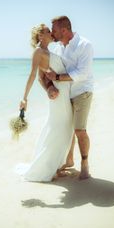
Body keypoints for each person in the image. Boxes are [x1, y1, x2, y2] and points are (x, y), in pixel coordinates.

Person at [15, 23, 73, 182]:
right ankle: (48, 167)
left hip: (63, 93)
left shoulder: (49, 51)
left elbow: (45, 76)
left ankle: (55, 165)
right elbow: (34, 75)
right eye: (49, 31)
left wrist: (50, 87)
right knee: (59, 129)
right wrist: (24, 98)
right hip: (58, 96)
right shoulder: (38, 52)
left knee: (63, 128)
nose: (52, 33)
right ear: (41, 36)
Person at [43, 15, 94, 179]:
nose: (52, 33)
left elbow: (82, 73)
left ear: (64, 30)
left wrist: (57, 78)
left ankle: (85, 163)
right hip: (64, 96)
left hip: (82, 92)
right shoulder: (57, 48)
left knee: (79, 130)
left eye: (55, 30)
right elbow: (46, 73)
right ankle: (69, 159)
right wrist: (50, 87)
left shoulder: (84, 45)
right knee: (66, 130)